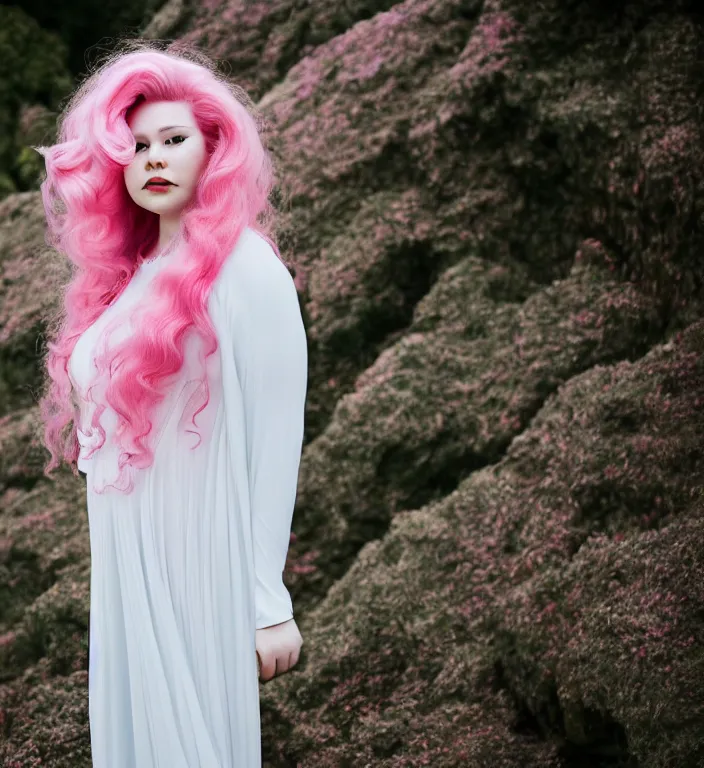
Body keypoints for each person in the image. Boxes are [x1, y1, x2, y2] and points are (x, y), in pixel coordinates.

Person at [35, 41, 307, 767]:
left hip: (200, 562)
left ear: (213, 149)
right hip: (129, 562)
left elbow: (277, 440)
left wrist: (265, 600)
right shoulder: (132, 275)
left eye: (174, 139)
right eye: (138, 145)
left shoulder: (247, 268)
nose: (154, 158)